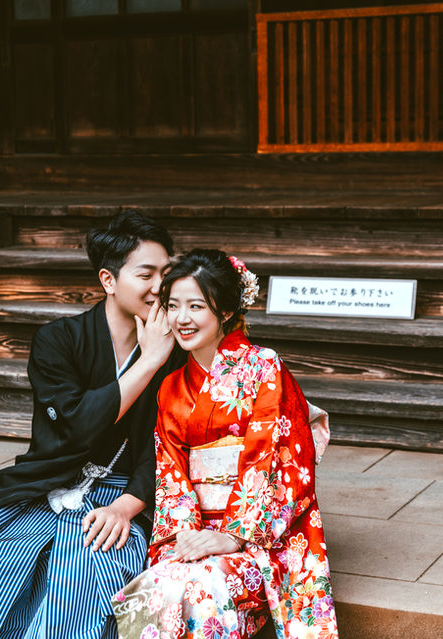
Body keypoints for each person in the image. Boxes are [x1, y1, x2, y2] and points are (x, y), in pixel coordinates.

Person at [0, 211, 186, 639]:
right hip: (49, 483)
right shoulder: (58, 340)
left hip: (125, 492)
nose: (159, 287)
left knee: (83, 573)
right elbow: (77, 425)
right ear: (108, 280)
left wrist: (128, 505)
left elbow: (172, 442)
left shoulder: (178, 351)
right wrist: (149, 361)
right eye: (146, 274)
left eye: (166, 274)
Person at [112, 250, 339, 639]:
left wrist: (231, 536)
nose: (182, 318)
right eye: (173, 306)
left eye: (196, 306)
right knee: (156, 587)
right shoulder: (171, 386)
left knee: (202, 590)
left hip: (258, 536)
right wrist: (184, 534)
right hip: (194, 530)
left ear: (227, 310)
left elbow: (274, 459)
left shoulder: (264, 368)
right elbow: (171, 471)